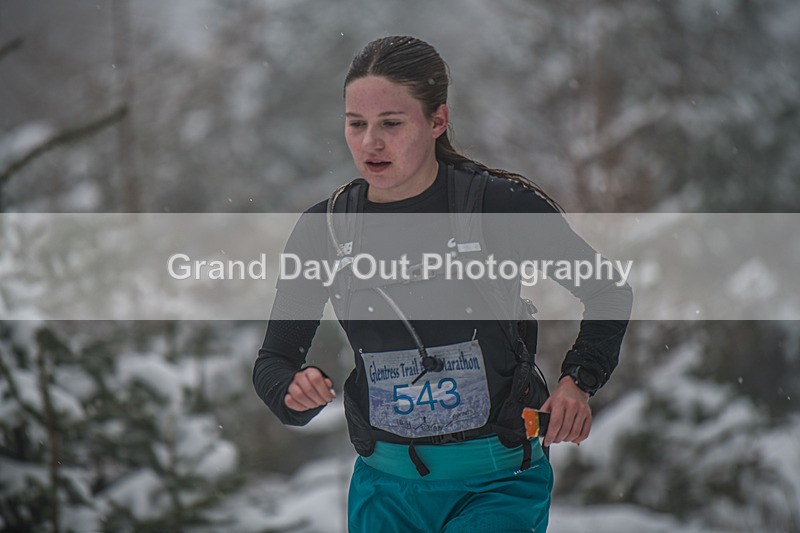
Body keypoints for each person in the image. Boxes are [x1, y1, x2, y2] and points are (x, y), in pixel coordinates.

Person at [253, 35, 633, 532]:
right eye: (356, 124)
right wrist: (292, 390)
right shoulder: (325, 230)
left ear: (437, 121)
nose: (371, 142)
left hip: (497, 486)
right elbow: (274, 362)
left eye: (391, 123)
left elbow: (607, 289)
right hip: (384, 492)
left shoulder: (497, 207)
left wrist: (576, 383)